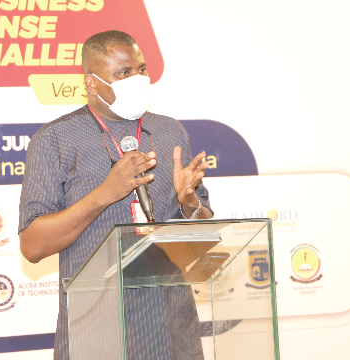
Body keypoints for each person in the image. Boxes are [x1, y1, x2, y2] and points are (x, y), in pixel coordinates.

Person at [18, 30, 213, 359]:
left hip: (171, 330)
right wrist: (105, 194)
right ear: (91, 83)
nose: (137, 79)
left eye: (141, 69)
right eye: (123, 73)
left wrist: (189, 203)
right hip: (97, 332)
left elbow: (203, 235)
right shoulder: (55, 140)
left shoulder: (170, 132)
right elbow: (33, 245)